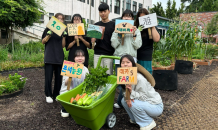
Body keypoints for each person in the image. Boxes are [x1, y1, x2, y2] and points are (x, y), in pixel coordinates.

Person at [119, 55, 163, 130]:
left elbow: (144, 97)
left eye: (128, 62)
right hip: (144, 103)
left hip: (155, 105)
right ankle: (135, 120)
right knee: (124, 100)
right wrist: (128, 98)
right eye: (122, 62)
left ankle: (148, 122)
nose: (125, 64)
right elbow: (124, 92)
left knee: (132, 103)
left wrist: (131, 93)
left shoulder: (139, 78)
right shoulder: (124, 76)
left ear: (132, 64)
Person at [111, 9, 142, 109]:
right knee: (121, 82)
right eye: (125, 16)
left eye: (129, 16)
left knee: (129, 82)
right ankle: (122, 101)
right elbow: (113, 44)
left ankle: (124, 101)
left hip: (130, 60)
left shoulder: (136, 31)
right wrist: (119, 35)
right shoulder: (116, 30)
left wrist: (133, 34)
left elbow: (137, 45)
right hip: (119, 58)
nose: (127, 18)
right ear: (122, 18)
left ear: (132, 19)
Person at [41, 13, 67, 103]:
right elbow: (43, 41)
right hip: (49, 56)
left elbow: (63, 46)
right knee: (48, 77)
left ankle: (56, 94)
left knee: (58, 78)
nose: (60, 20)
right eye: (58, 18)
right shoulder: (48, 28)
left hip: (59, 57)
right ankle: (48, 95)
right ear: (54, 20)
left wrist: (63, 36)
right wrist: (49, 34)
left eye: (62, 19)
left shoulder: (63, 30)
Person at [59, 50, 89, 117]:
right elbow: (66, 84)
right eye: (78, 56)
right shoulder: (69, 67)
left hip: (79, 93)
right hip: (68, 92)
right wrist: (71, 75)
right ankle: (65, 106)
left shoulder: (86, 69)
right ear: (74, 58)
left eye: (82, 56)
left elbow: (87, 83)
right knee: (65, 115)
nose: (80, 58)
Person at [134, 8, 161, 74]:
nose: (143, 20)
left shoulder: (152, 28)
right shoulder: (135, 27)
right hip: (135, 56)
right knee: (136, 79)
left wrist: (153, 26)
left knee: (146, 78)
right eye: (141, 18)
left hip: (146, 58)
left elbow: (157, 39)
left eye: (145, 17)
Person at [91, 3, 115, 75]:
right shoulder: (95, 25)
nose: (103, 13)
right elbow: (92, 44)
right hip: (97, 54)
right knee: (97, 75)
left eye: (105, 11)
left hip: (109, 55)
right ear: (99, 13)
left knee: (108, 76)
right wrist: (93, 40)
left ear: (109, 11)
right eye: (101, 12)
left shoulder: (114, 25)